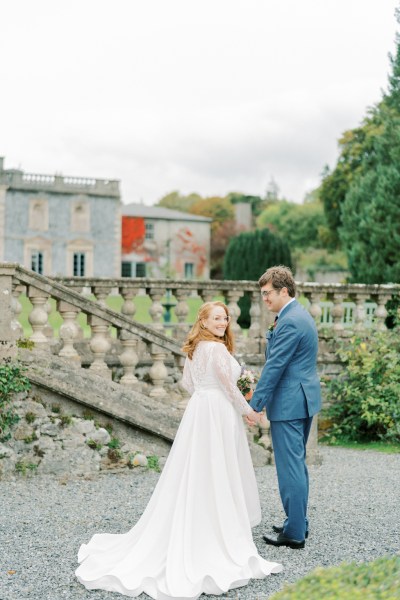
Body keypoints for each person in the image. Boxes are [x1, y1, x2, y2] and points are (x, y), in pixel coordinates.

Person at [75, 301, 282, 599]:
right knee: (218, 468)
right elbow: (227, 386)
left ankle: (198, 522)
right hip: (218, 412)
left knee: (197, 468)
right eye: (216, 318)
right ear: (204, 321)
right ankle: (216, 531)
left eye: (225, 318)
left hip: (199, 411)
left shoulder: (196, 348)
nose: (223, 323)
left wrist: (207, 395)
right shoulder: (216, 349)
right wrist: (249, 411)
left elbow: (188, 384)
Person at [247, 266, 321, 550]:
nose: (264, 299)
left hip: (290, 403)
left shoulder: (290, 321)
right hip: (301, 399)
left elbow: (275, 366)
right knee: (296, 466)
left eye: (268, 294)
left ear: (284, 291)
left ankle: (293, 533)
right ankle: (297, 522)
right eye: (262, 294)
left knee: (290, 468)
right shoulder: (297, 314)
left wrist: (255, 404)